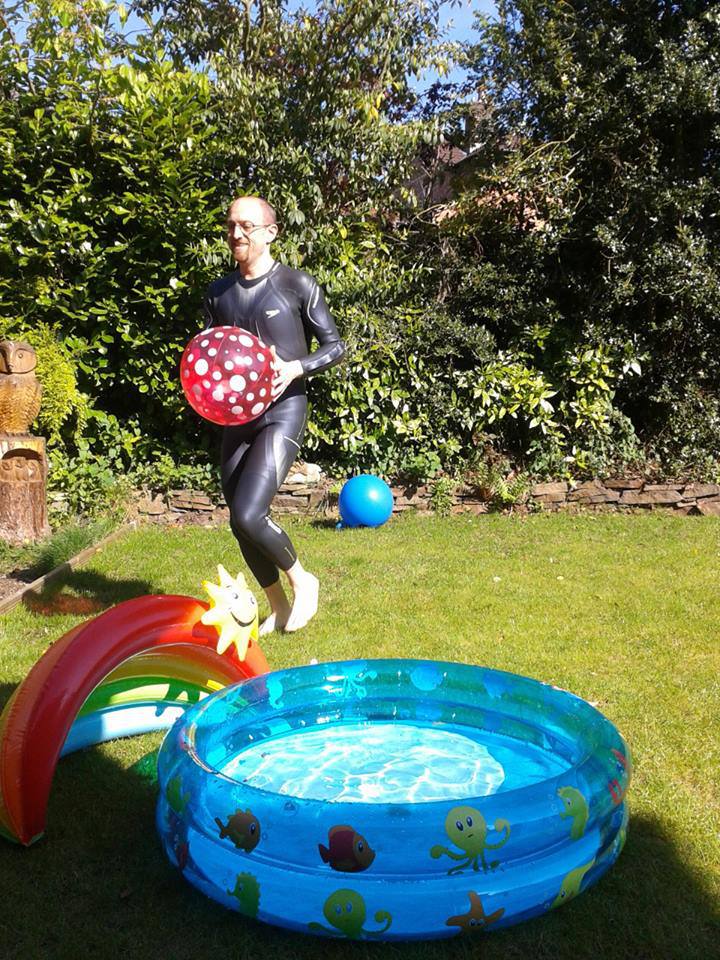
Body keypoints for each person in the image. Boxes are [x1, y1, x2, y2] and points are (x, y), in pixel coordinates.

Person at [203, 195, 345, 634]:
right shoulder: (218, 293)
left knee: (249, 513)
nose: (236, 234)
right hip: (237, 417)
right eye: (230, 226)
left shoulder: (297, 285)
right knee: (236, 518)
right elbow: (211, 355)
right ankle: (278, 606)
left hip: (283, 410)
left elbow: (335, 347)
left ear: (270, 232)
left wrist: (295, 367)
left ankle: (304, 580)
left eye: (246, 226)